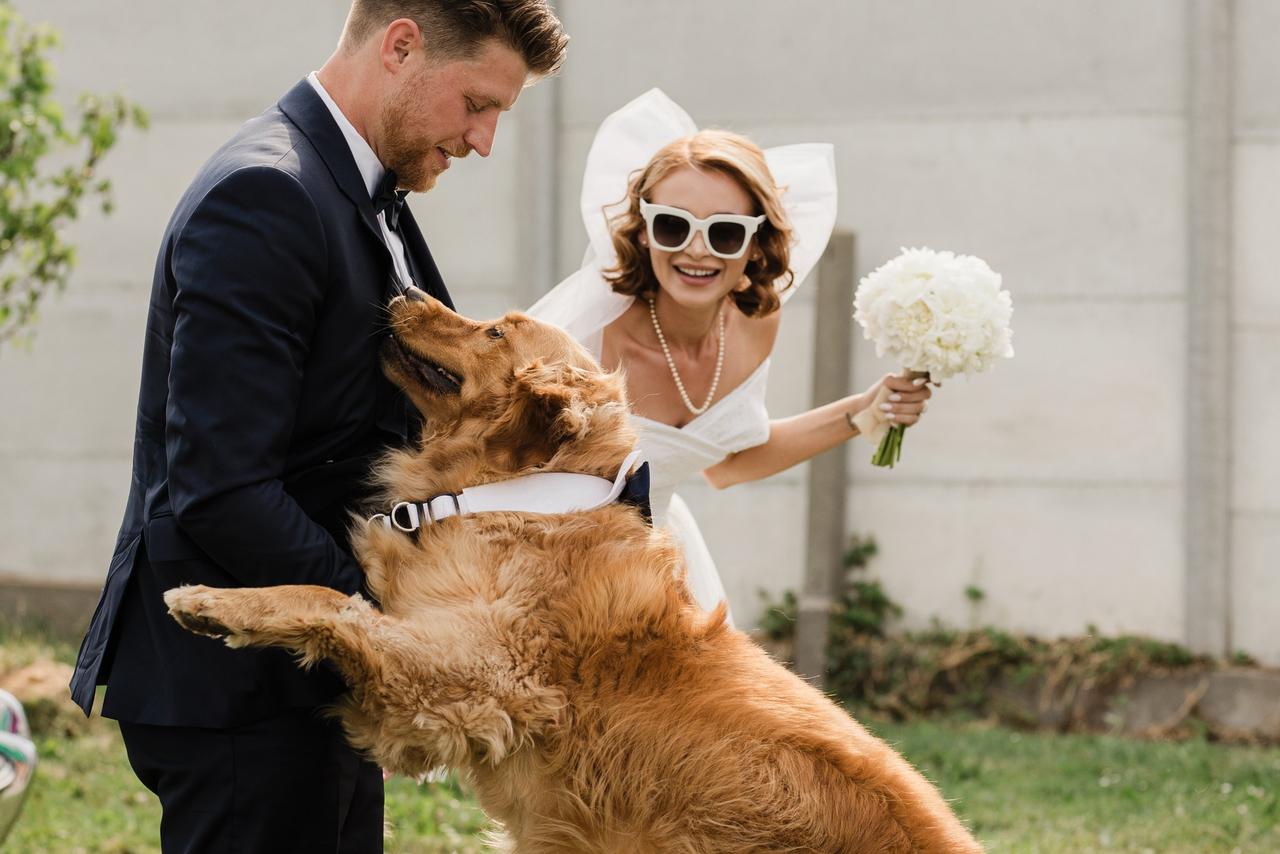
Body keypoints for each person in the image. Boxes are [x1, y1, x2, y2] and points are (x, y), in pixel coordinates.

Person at [68, 2, 567, 850]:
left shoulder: (362, 188)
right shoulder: (265, 194)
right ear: (401, 46)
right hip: (238, 693)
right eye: (477, 104)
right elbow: (221, 491)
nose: (483, 140)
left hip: (308, 681)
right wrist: (389, 619)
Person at [530, 90, 933, 624]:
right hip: (548, 567)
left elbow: (729, 462)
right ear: (644, 229)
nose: (697, 250)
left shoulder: (754, 325)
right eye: (674, 225)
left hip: (660, 563)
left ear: (755, 244)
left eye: (723, 232)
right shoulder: (581, 338)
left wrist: (866, 411)